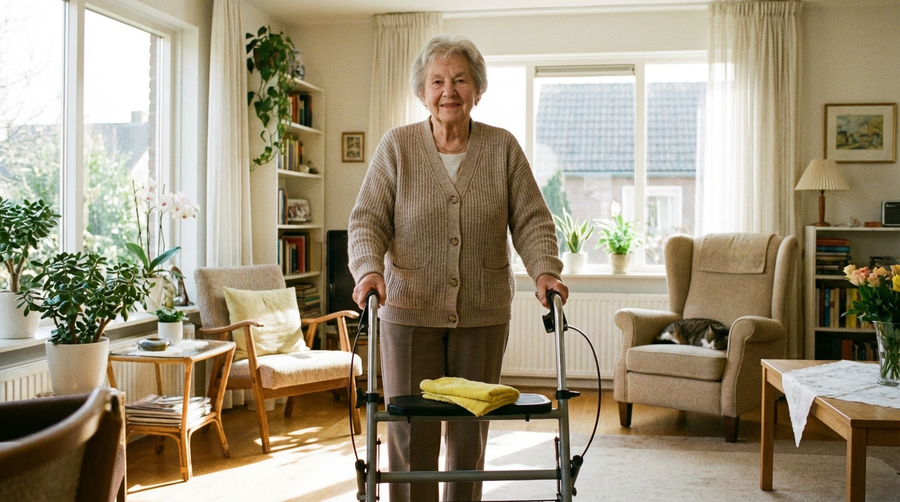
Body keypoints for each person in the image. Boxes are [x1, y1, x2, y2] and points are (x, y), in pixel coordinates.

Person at [348, 33, 568, 502]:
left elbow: (531, 218)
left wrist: (545, 269)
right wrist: (368, 270)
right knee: (410, 434)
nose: (449, 91)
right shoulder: (397, 147)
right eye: (438, 81)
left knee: (470, 436)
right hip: (408, 311)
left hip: (482, 315)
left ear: (478, 89)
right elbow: (367, 218)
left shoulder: (502, 147)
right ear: (422, 91)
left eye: (460, 80)